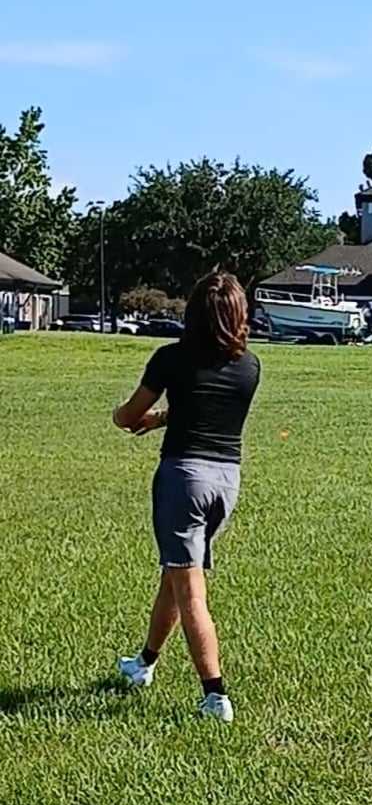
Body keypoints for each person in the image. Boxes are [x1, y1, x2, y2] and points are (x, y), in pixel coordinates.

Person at [112, 272, 261, 723]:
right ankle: (144, 664)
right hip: (226, 482)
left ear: (192, 313)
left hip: (183, 480)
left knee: (191, 591)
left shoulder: (169, 359)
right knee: (175, 578)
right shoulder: (249, 366)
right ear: (238, 315)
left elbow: (126, 417)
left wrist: (137, 417)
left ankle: (215, 696)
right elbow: (204, 406)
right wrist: (163, 420)